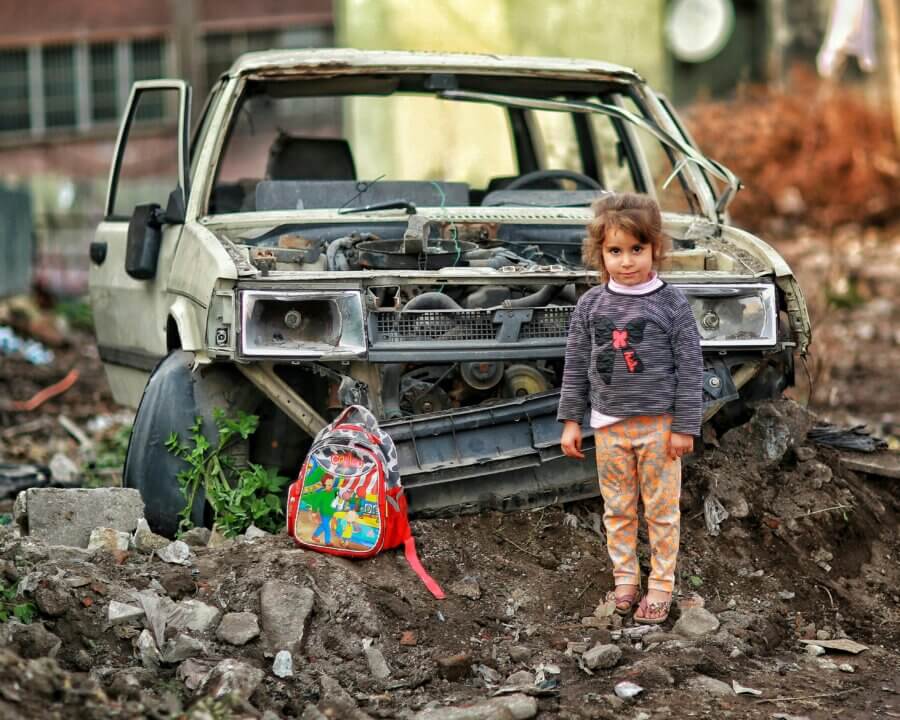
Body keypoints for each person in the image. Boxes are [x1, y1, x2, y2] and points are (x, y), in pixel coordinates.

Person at [558, 193, 703, 625]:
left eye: (636, 249)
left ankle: (660, 586)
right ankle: (625, 579)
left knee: (661, 510)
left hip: (659, 428)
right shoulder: (591, 305)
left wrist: (685, 426)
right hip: (608, 428)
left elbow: (691, 365)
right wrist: (571, 421)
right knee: (617, 508)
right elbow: (576, 365)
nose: (626, 261)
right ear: (600, 253)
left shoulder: (670, 303)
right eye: (615, 251)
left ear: (655, 248)